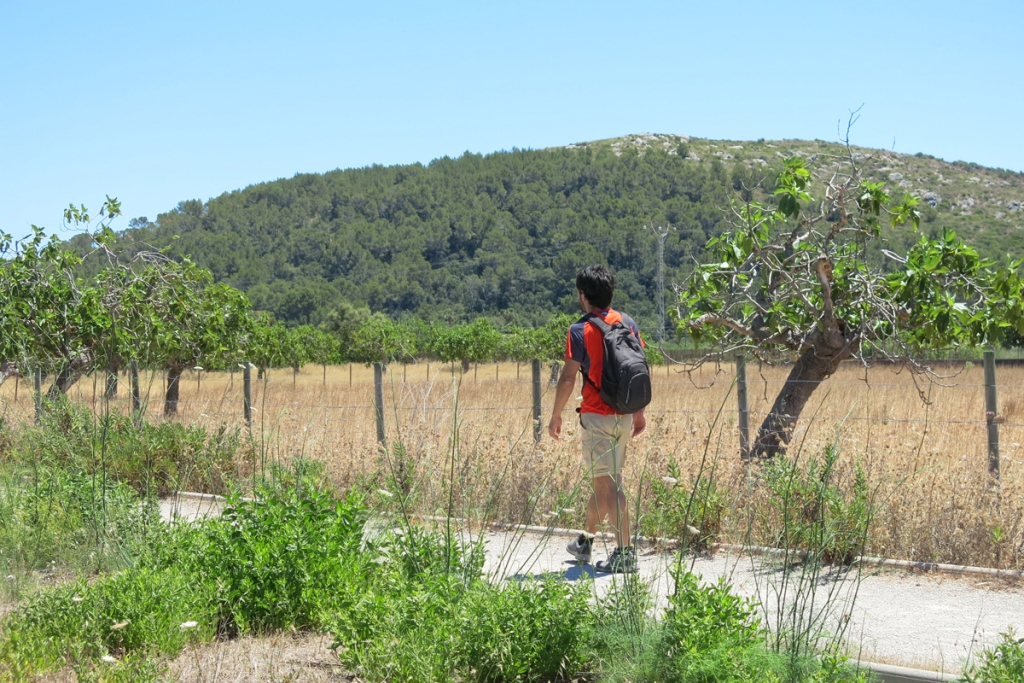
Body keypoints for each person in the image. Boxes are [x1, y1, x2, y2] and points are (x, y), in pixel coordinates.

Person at [547, 265, 646, 573]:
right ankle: (585, 543)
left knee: (608, 487)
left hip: (596, 416)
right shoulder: (627, 322)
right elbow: (638, 366)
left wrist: (555, 415)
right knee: (604, 482)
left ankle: (626, 553)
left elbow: (567, 378)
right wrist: (639, 411)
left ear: (582, 295)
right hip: (625, 416)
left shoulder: (580, 329)